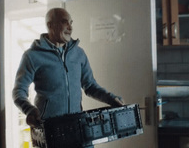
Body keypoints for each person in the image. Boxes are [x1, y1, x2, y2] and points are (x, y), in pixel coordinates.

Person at [12, 8, 124, 148]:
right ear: (50, 25)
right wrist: (28, 109)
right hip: (49, 131)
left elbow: (90, 86)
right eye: (65, 22)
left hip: (78, 127)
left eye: (71, 23)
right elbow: (18, 91)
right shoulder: (32, 56)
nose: (70, 27)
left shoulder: (79, 54)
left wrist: (111, 98)